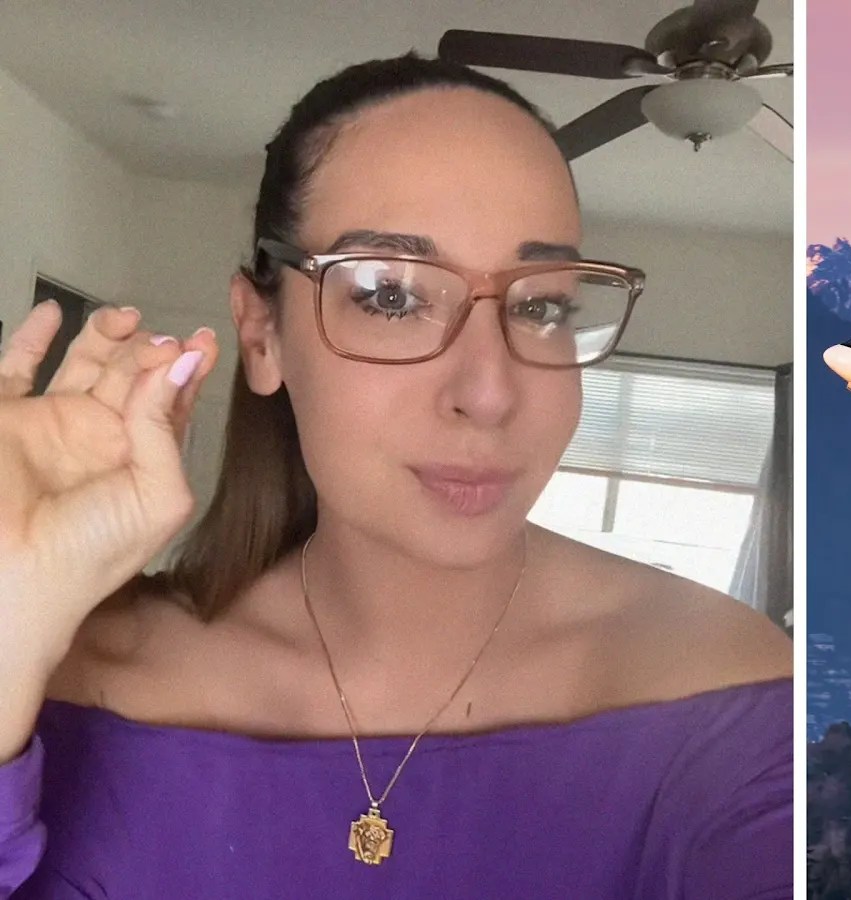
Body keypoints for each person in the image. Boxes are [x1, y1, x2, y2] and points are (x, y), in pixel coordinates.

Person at [0, 53, 793, 899]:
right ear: (262, 334)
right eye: (390, 296)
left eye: (540, 305)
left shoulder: (722, 693)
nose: (489, 394)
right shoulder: (73, 680)